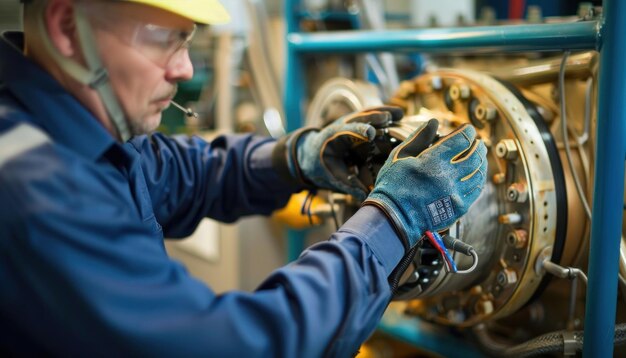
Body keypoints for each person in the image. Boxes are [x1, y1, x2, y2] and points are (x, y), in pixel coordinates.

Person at [0, 0, 488, 356]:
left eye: (187, 40)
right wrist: (389, 224)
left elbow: (184, 171)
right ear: (65, 27)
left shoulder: (61, 129)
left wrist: (298, 158)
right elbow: (240, 345)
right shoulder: (35, 191)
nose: (184, 68)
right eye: (161, 37)